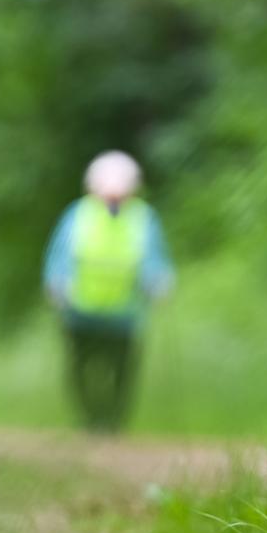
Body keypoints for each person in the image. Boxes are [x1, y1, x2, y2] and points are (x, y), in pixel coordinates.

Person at [43, 151, 173, 433]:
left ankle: (113, 423)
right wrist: (56, 282)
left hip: (125, 314)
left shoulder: (143, 218)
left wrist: (158, 282)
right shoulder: (77, 215)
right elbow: (60, 255)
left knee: (122, 372)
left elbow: (153, 256)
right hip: (80, 311)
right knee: (80, 370)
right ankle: (91, 420)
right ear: (93, 186)